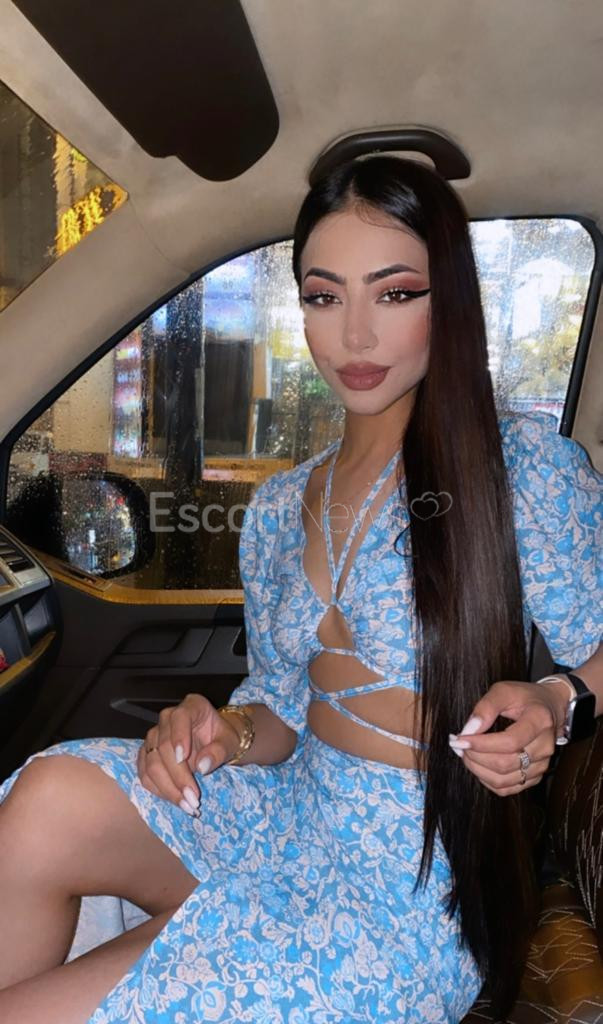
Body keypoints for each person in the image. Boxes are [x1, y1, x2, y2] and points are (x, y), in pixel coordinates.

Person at [0, 156, 601, 1024]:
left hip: (407, 879)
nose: (354, 335)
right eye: (324, 296)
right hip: (287, 808)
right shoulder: (283, 504)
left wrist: (557, 698)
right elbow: (281, 710)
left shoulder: (521, 469)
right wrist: (224, 729)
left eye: (394, 294)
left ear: (449, 302)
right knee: (49, 796)